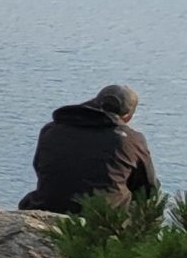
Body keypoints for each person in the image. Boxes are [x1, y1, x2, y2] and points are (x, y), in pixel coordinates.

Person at [19, 82, 160, 213]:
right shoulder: (131, 140)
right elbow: (148, 188)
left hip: (47, 206)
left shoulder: (52, 129)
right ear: (127, 117)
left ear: (95, 102)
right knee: (151, 205)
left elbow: (40, 167)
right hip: (100, 218)